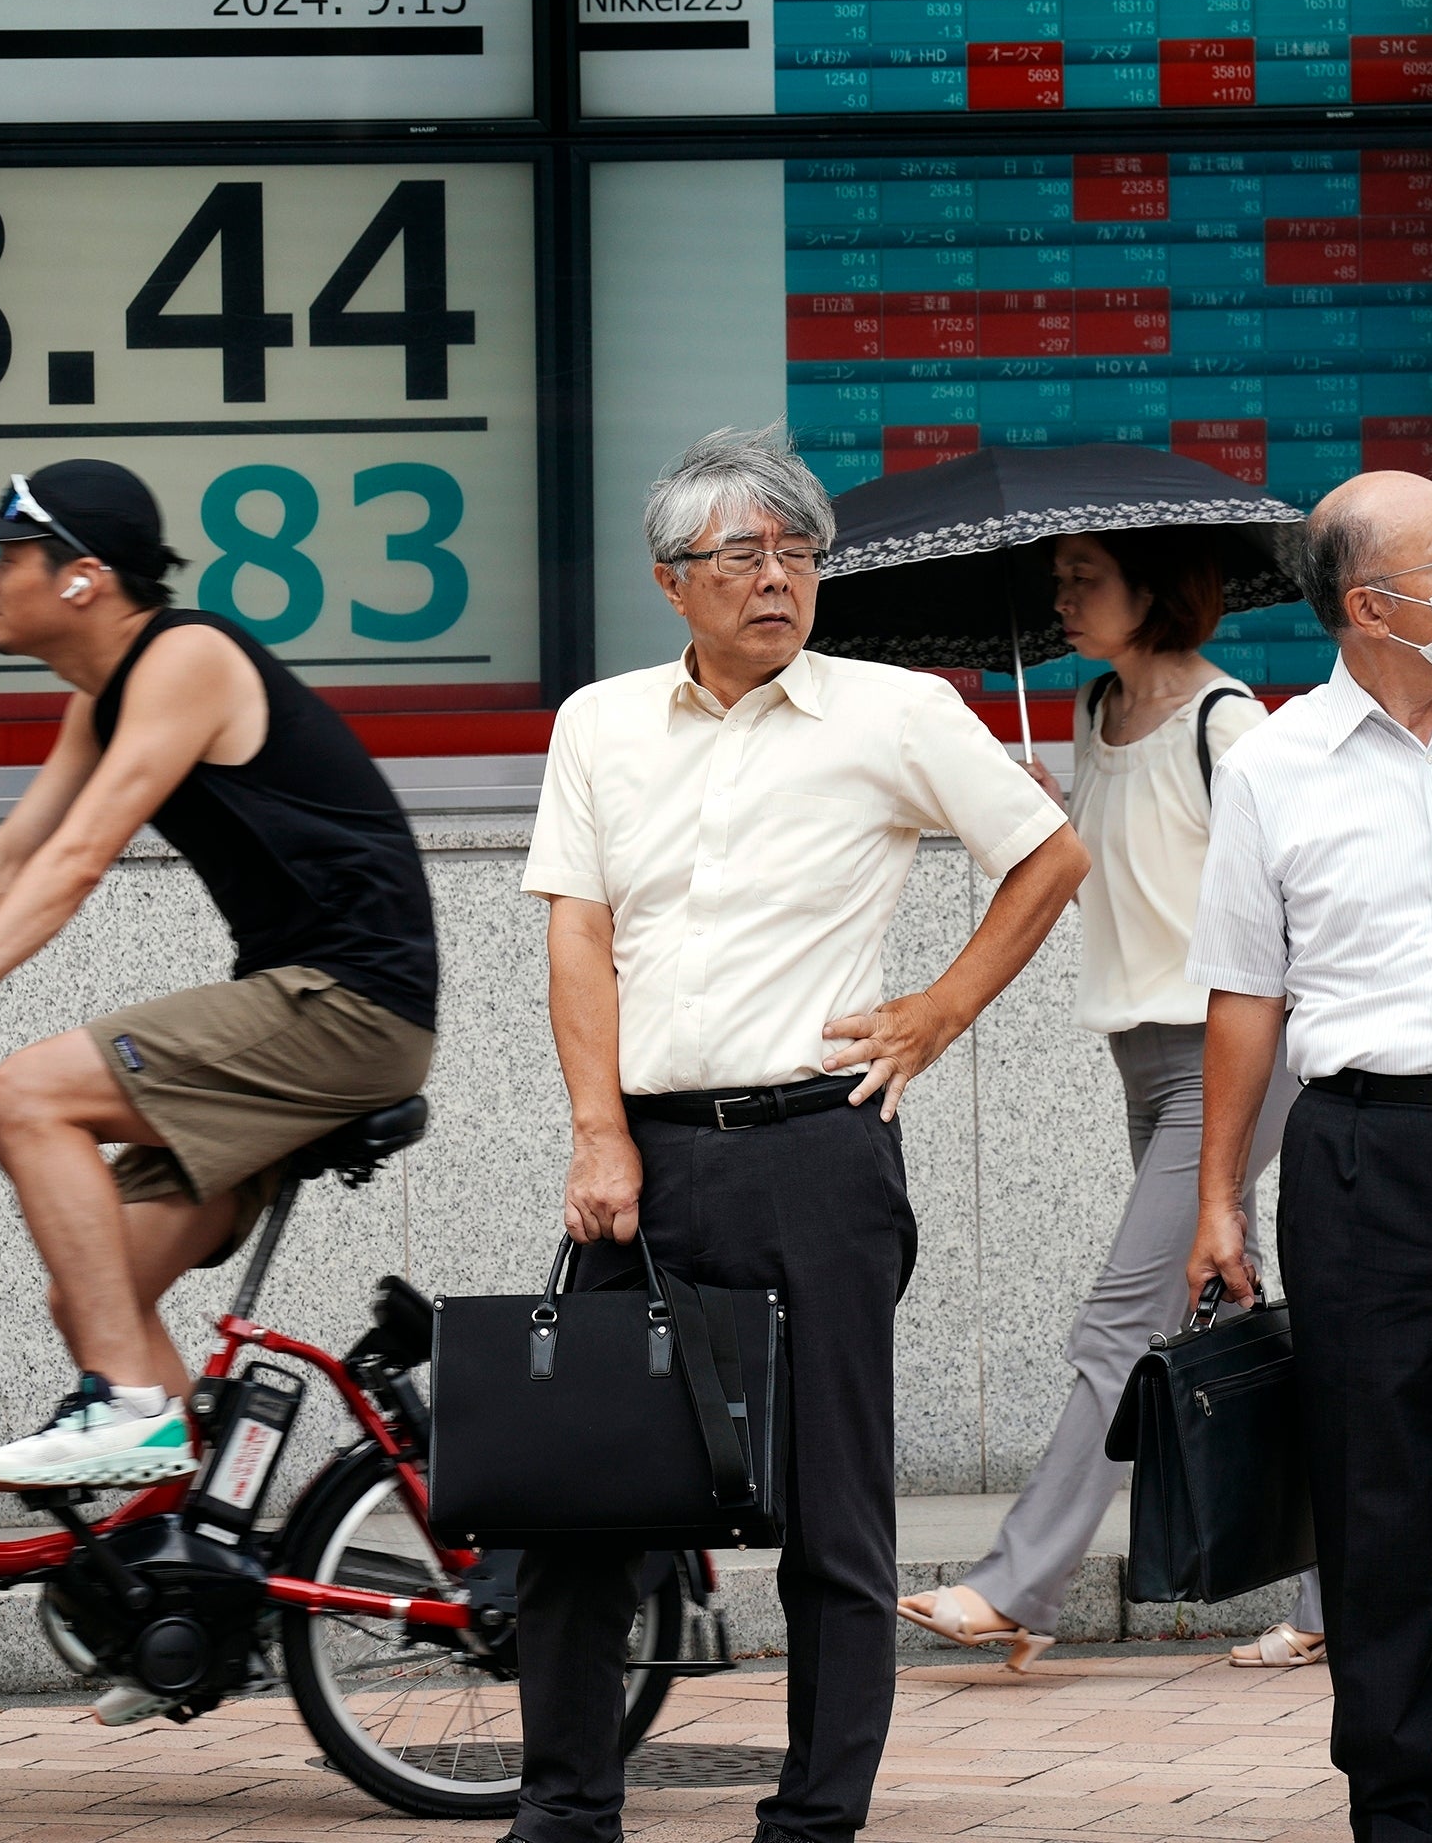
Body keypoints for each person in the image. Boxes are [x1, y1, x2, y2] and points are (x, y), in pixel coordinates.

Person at [516, 425, 1088, 1843]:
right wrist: (598, 1134)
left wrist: (940, 1012)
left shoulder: (894, 712)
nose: (777, 579)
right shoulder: (598, 723)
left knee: (834, 1515)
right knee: (579, 1503)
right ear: (673, 581)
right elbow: (578, 935)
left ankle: (815, 1820)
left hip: (817, 1151)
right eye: (743, 555)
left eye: (799, 553)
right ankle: (566, 1812)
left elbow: (1050, 852)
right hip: (641, 1155)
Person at [0, 460, 437, 1516]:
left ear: (84, 577)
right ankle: (191, 1574)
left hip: (347, 1002)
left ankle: (132, 1408)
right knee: (95, 1289)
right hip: (306, 1005)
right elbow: (11, 854)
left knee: (28, 1092)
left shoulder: (186, 657)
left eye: (7, 557)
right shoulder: (104, 698)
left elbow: (77, 861)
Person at [1188, 470, 1432, 1843]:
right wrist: (1221, 1195)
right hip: (1361, 1164)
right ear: (1369, 605)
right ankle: (1401, 1817)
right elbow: (1243, 991)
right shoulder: (1276, 765)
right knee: (1374, 1515)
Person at [901, 526, 1324, 1673]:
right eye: (1060, 580)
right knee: (1228, 1317)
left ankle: (1016, 1581)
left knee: (1120, 1321)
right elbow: (1118, 865)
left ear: (1156, 589)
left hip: (1232, 1054)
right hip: (1140, 1053)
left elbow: (1289, 886)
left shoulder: (1227, 722)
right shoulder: (1093, 708)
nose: (1064, 596)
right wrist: (1050, 811)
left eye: (1085, 579)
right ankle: (1340, 1587)